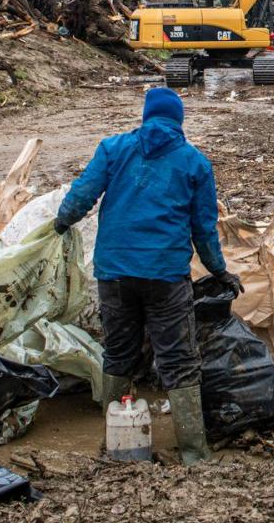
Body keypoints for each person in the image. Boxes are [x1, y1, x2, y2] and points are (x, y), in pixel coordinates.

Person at [53, 87, 240, 465]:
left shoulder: (113, 148)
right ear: (178, 120)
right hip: (166, 277)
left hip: (115, 273)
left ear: (146, 116)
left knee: (119, 351)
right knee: (178, 360)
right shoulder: (194, 163)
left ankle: (113, 443)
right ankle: (193, 453)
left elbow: (82, 194)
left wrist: (61, 223)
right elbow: (203, 230)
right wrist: (220, 271)